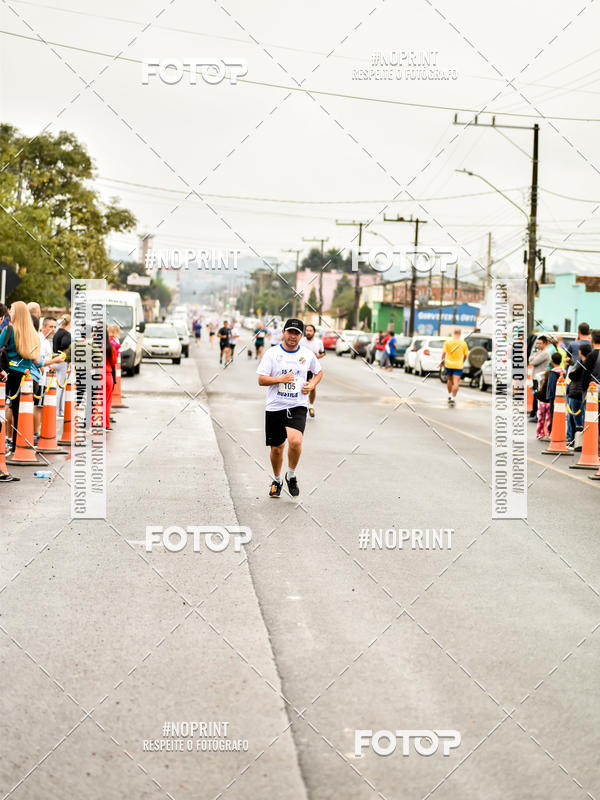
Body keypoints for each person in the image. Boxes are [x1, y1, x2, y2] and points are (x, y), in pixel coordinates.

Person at [257, 318, 323, 498]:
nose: (293, 336)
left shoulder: (307, 354)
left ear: (301, 336)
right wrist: (280, 379)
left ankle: (291, 475)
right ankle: (277, 480)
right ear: (284, 333)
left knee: (295, 441)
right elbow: (261, 379)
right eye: (290, 332)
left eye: (297, 333)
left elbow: (319, 372)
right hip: (275, 406)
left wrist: (311, 385)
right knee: (277, 448)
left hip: (297, 405)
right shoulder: (272, 353)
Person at [0, 301, 43, 453]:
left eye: (11, 310)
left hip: (6, 371)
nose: (10, 312)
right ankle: (17, 444)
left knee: (2, 407)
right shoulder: (33, 335)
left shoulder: (8, 330)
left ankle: (2, 441)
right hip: (25, 376)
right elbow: (38, 361)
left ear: (16, 313)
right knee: (20, 410)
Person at [34, 316, 60, 443]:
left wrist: (53, 358)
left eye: (55, 327)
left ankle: (36, 432)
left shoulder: (46, 340)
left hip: (44, 379)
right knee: (38, 406)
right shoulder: (40, 339)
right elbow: (38, 361)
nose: (53, 329)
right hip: (39, 379)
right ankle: (34, 433)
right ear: (43, 327)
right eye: (50, 326)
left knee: (41, 406)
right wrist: (55, 360)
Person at [565, 343, 593, 448]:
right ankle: (577, 440)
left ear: (580, 352)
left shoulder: (583, 363)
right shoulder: (590, 363)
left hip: (576, 392)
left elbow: (574, 375)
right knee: (580, 417)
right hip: (582, 392)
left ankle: (577, 442)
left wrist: (572, 372)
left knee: (576, 419)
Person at [300, 324, 325, 418]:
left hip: (312, 369)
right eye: (307, 330)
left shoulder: (318, 342)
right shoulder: (301, 341)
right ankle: (301, 405)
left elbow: (323, 353)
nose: (308, 332)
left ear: (314, 332)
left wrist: (318, 356)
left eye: (310, 330)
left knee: (312, 387)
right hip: (301, 368)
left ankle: (311, 406)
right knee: (301, 387)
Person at [441, 328, 469, 406]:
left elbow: (443, 354)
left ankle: (449, 395)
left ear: (454, 333)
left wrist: (442, 361)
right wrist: (462, 361)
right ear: (460, 334)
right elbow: (466, 355)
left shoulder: (448, 342)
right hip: (458, 365)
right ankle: (453, 398)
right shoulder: (463, 343)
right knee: (456, 382)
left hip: (449, 364)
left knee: (449, 380)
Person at [528, 336, 551, 421]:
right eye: (537, 343)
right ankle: (534, 413)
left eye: (540, 343)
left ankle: (537, 415)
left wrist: (533, 359)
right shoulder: (539, 352)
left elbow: (533, 362)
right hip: (535, 377)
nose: (538, 345)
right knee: (535, 395)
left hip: (540, 378)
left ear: (545, 343)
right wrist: (532, 358)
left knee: (538, 396)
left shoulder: (545, 353)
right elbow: (530, 359)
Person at [53, 314, 71, 417]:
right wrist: (66, 350)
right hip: (62, 360)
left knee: (58, 385)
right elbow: (65, 344)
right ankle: (59, 411)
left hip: (54, 359)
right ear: (69, 323)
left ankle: (57, 410)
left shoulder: (57, 333)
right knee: (61, 387)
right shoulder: (66, 334)